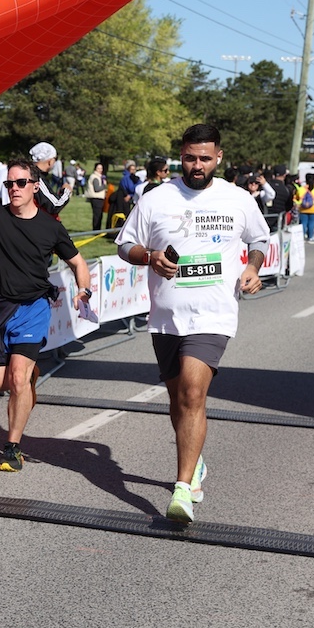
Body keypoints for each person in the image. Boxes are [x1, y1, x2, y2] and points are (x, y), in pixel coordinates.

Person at [114, 123, 268, 523]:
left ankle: (182, 488)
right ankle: (194, 460)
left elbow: (258, 240)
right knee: (178, 399)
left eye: (204, 158)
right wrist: (148, 257)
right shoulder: (156, 198)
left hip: (213, 314)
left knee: (193, 394)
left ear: (219, 157)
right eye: (189, 158)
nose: (197, 165)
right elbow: (124, 244)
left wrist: (252, 267)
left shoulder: (238, 199)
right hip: (166, 317)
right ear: (179, 156)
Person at [0, 134, 92, 473]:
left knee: (17, 377)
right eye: (10, 183)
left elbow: (78, 263)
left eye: (21, 182)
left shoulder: (50, 227)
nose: (14, 188)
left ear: (35, 186)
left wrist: (83, 290)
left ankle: (12, 447)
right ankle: (28, 377)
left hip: (33, 308)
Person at [30, 141, 68, 214]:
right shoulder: (37, 178)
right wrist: (66, 191)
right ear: (50, 161)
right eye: (55, 159)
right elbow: (54, 205)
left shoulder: (32, 173)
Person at [294, 173, 314, 242]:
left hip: (303, 208)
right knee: (311, 223)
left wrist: (298, 204)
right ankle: (310, 237)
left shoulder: (301, 189)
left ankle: (302, 237)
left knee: (303, 223)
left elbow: (296, 198)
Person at [84, 161, 107, 230]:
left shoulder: (98, 177)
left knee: (98, 215)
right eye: (98, 168)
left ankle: (97, 229)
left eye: (101, 168)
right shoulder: (95, 177)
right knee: (97, 215)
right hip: (96, 198)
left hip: (97, 198)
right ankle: (96, 230)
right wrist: (104, 185)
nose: (100, 170)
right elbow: (97, 189)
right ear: (95, 169)